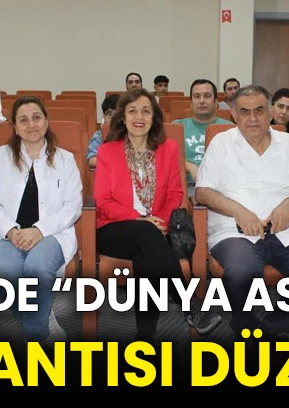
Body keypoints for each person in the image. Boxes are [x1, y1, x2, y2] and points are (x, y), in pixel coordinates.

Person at [195, 85, 289, 340]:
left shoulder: (288, 143)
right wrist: (238, 211)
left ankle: (274, 325)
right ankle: (246, 323)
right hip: (234, 231)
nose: (253, 118)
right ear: (234, 114)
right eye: (244, 112)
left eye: (259, 110)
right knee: (242, 271)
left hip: (284, 231)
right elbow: (202, 192)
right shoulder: (222, 143)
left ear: (270, 113)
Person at [94, 88, 221, 342]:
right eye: (132, 111)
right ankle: (190, 304)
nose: (139, 117)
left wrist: (158, 222)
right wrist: (139, 219)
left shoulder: (168, 148)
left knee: (147, 257)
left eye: (145, 111)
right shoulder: (107, 151)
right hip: (115, 229)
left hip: (158, 228)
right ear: (123, 118)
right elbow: (102, 201)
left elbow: (176, 193)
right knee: (145, 233)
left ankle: (145, 335)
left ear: (154, 118)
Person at [0, 96, 82, 344]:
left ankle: (35, 338)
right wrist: (10, 230)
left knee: (36, 268)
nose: (31, 124)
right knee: (6, 270)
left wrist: (39, 230)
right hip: (8, 235)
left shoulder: (65, 159)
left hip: (52, 234)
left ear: (46, 121)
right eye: (23, 120)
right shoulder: (2, 156)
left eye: (36, 117)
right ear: (15, 127)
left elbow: (73, 205)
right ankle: (43, 322)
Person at [173, 79, 232, 201]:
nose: (202, 101)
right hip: (187, 186)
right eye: (197, 96)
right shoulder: (177, 126)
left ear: (216, 102)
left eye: (207, 96)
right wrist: (188, 165)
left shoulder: (229, 128)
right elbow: (165, 157)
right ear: (191, 103)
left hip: (221, 188)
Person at [86, 93, 120, 169]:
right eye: (110, 114)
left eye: (118, 114)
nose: (114, 118)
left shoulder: (132, 134)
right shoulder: (99, 135)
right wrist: (115, 162)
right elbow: (91, 160)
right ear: (104, 116)